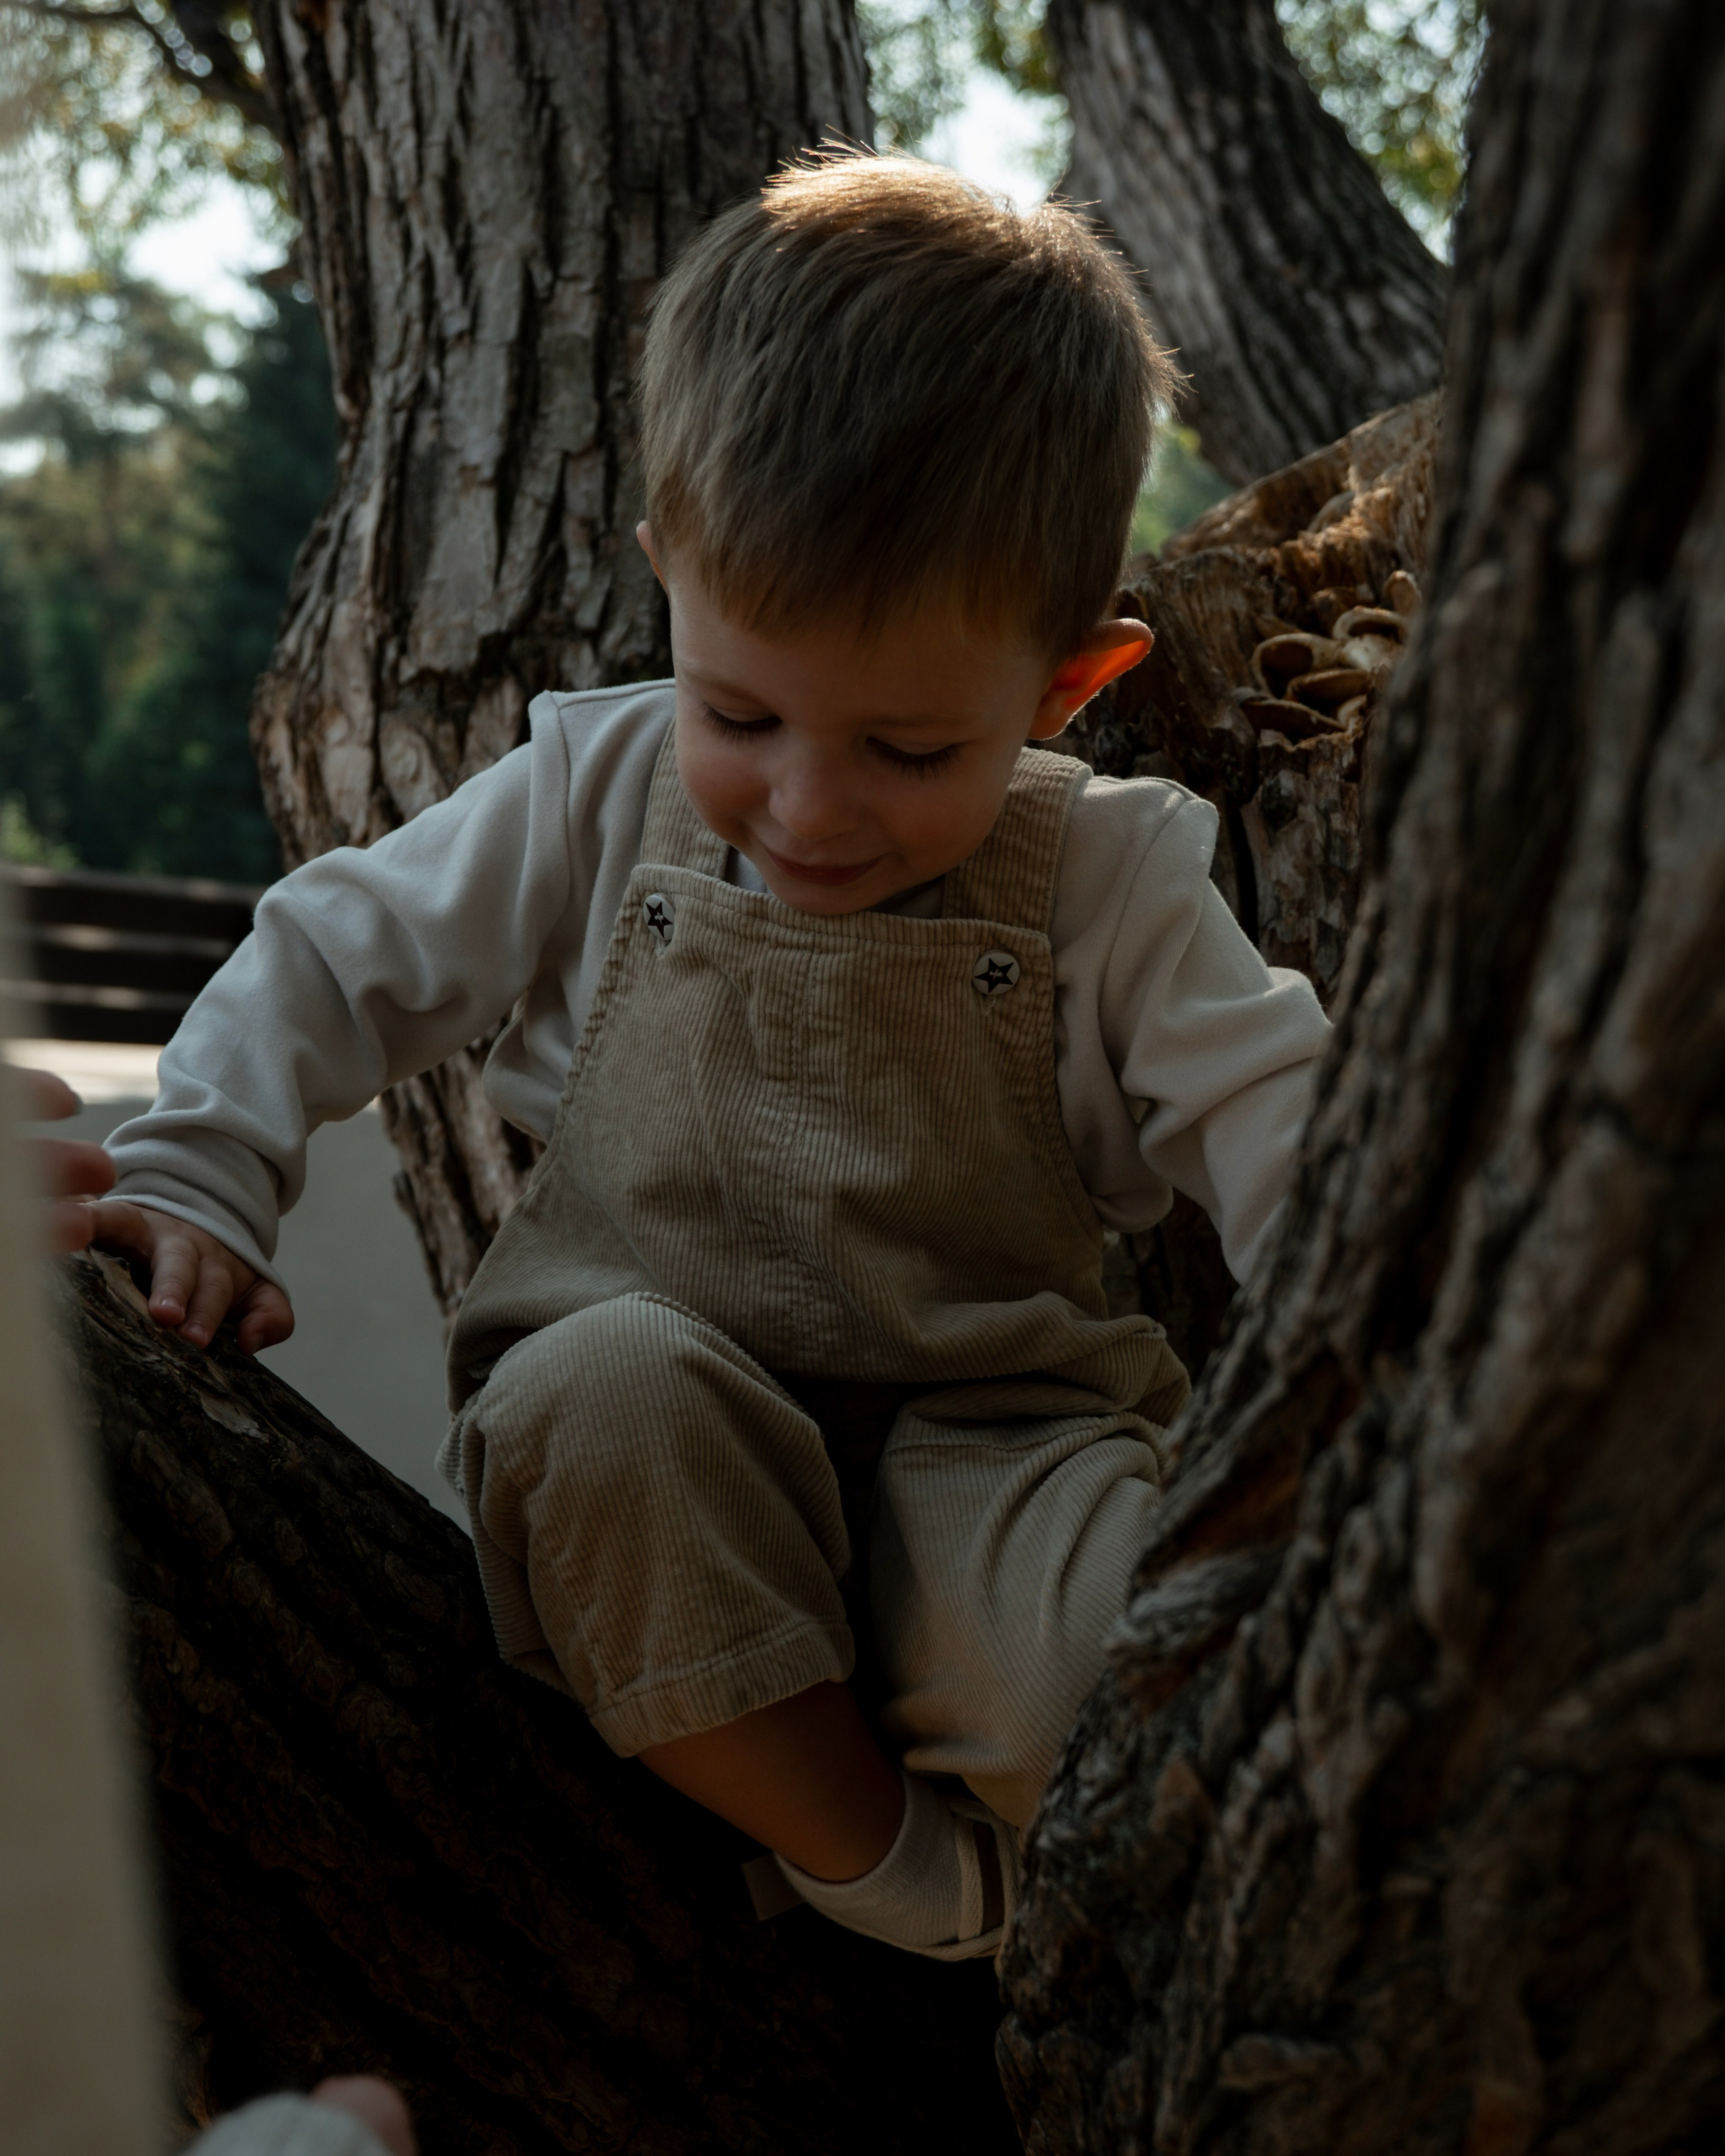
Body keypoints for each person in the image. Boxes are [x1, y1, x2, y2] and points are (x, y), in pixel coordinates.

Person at [86, 153, 1331, 1962]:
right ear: (670, 572)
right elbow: (332, 954)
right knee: (609, 1417)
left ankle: (1013, 1806)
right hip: (646, 1420)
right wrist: (196, 1171)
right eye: (742, 713)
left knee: (1113, 1655)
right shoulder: (594, 789)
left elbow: (1297, 1134)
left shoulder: (1111, 878)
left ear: (1070, 686)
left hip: (998, 1437)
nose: (812, 807)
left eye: (913, 750)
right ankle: (892, 1878)